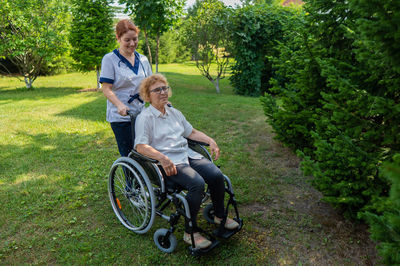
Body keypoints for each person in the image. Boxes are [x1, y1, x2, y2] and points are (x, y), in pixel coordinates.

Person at [134, 74, 239, 249]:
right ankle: (190, 232)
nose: (162, 92)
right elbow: (140, 146)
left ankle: (219, 216)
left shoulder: (174, 112)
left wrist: (210, 140)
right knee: (196, 183)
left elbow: (191, 132)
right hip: (167, 163)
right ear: (147, 94)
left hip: (186, 154)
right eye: (157, 90)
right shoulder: (145, 117)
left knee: (216, 174)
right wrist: (161, 157)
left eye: (164, 88)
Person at [100, 19, 152, 157]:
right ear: (118, 38)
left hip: (142, 114)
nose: (132, 44)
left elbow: (150, 86)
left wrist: (160, 101)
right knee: (130, 155)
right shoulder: (109, 59)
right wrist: (119, 105)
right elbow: (106, 88)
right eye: (127, 40)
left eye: (135, 39)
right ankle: (132, 179)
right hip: (121, 118)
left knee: (147, 151)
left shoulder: (143, 60)